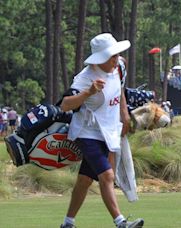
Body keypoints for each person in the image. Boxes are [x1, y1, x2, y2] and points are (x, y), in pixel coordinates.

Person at [59, 33, 144, 228]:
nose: (116, 59)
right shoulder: (85, 77)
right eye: (111, 56)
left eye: (116, 55)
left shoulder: (118, 67)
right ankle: (121, 222)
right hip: (87, 133)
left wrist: (124, 114)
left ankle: (67, 223)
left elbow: (120, 88)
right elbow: (65, 105)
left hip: (109, 133)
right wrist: (88, 92)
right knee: (107, 176)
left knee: (84, 180)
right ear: (100, 59)